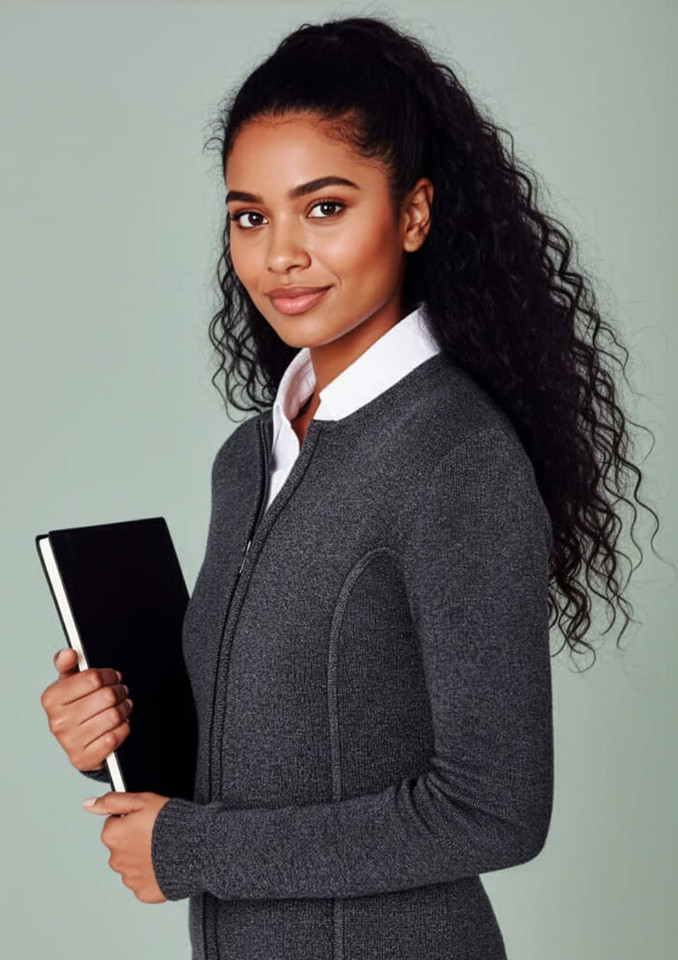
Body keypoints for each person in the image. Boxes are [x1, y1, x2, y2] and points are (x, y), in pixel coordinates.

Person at [39, 14, 660, 960]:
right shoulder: (249, 457)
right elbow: (275, 751)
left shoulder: (457, 459)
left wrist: (194, 847)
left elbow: (495, 810)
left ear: (411, 213)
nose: (280, 253)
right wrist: (119, 732)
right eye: (251, 215)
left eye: (324, 207)